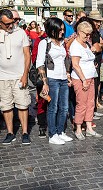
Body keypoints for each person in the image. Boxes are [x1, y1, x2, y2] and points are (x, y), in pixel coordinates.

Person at [36, 17, 73, 145]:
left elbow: (65, 60)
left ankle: (60, 131)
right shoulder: (45, 43)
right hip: (52, 78)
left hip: (63, 78)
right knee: (53, 107)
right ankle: (52, 134)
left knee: (64, 107)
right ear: (53, 30)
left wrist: (68, 75)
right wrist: (45, 82)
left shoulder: (62, 43)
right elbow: (39, 64)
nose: (63, 32)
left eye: (63, 30)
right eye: (60, 30)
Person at [0, 9, 31, 145]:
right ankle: (10, 133)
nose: (10, 26)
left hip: (19, 75)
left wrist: (25, 74)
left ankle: (24, 133)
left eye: (12, 22)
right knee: (6, 106)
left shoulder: (21, 33)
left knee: (23, 104)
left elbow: (27, 55)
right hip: (2, 77)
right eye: (6, 24)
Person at [70, 21, 102, 140]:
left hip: (90, 76)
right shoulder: (75, 45)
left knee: (90, 103)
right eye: (86, 34)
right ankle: (78, 128)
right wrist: (83, 79)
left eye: (90, 34)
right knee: (81, 104)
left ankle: (89, 127)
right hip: (80, 78)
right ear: (79, 32)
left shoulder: (86, 44)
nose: (88, 36)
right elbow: (75, 65)